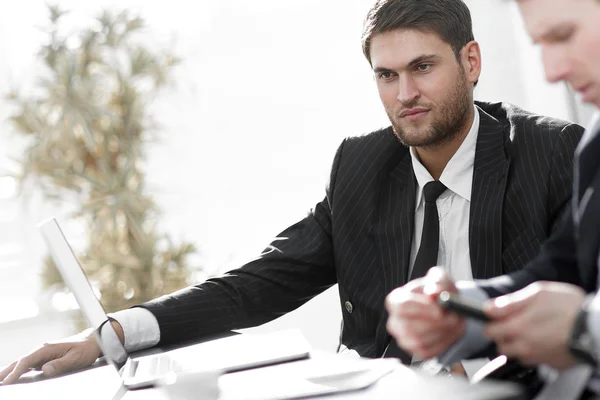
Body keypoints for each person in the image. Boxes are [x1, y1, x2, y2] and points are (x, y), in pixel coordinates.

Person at [0, 0, 584, 385]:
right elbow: (261, 282)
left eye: (423, 67)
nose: (405, 92)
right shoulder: (362, 164)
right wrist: (111, 335)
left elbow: (577, 320)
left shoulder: (556, 155)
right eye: (386, 75)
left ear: (471, 61)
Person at [385, 0, 600, 397]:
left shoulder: (555, 146)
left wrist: (585, 324)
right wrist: (464, 311)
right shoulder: (598, 140)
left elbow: (577, 311)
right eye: (540, 45)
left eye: (564, 35)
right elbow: (564, 269)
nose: (552, 73)